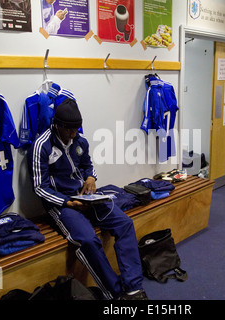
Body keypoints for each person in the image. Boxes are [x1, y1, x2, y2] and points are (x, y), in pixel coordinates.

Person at [27, 98, 147, 300]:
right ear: (58, 125)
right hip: (62, 204)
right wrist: (66, 202)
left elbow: (87, 165)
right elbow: (40, 187)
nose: (73, 134)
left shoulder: (80, 140)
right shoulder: (41, 146)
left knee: (125, 223)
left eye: (76, 129)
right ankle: (115, 294)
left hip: (87, 197)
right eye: (69, 130)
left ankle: (134, 289)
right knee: (88, 240)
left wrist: (91, 178)